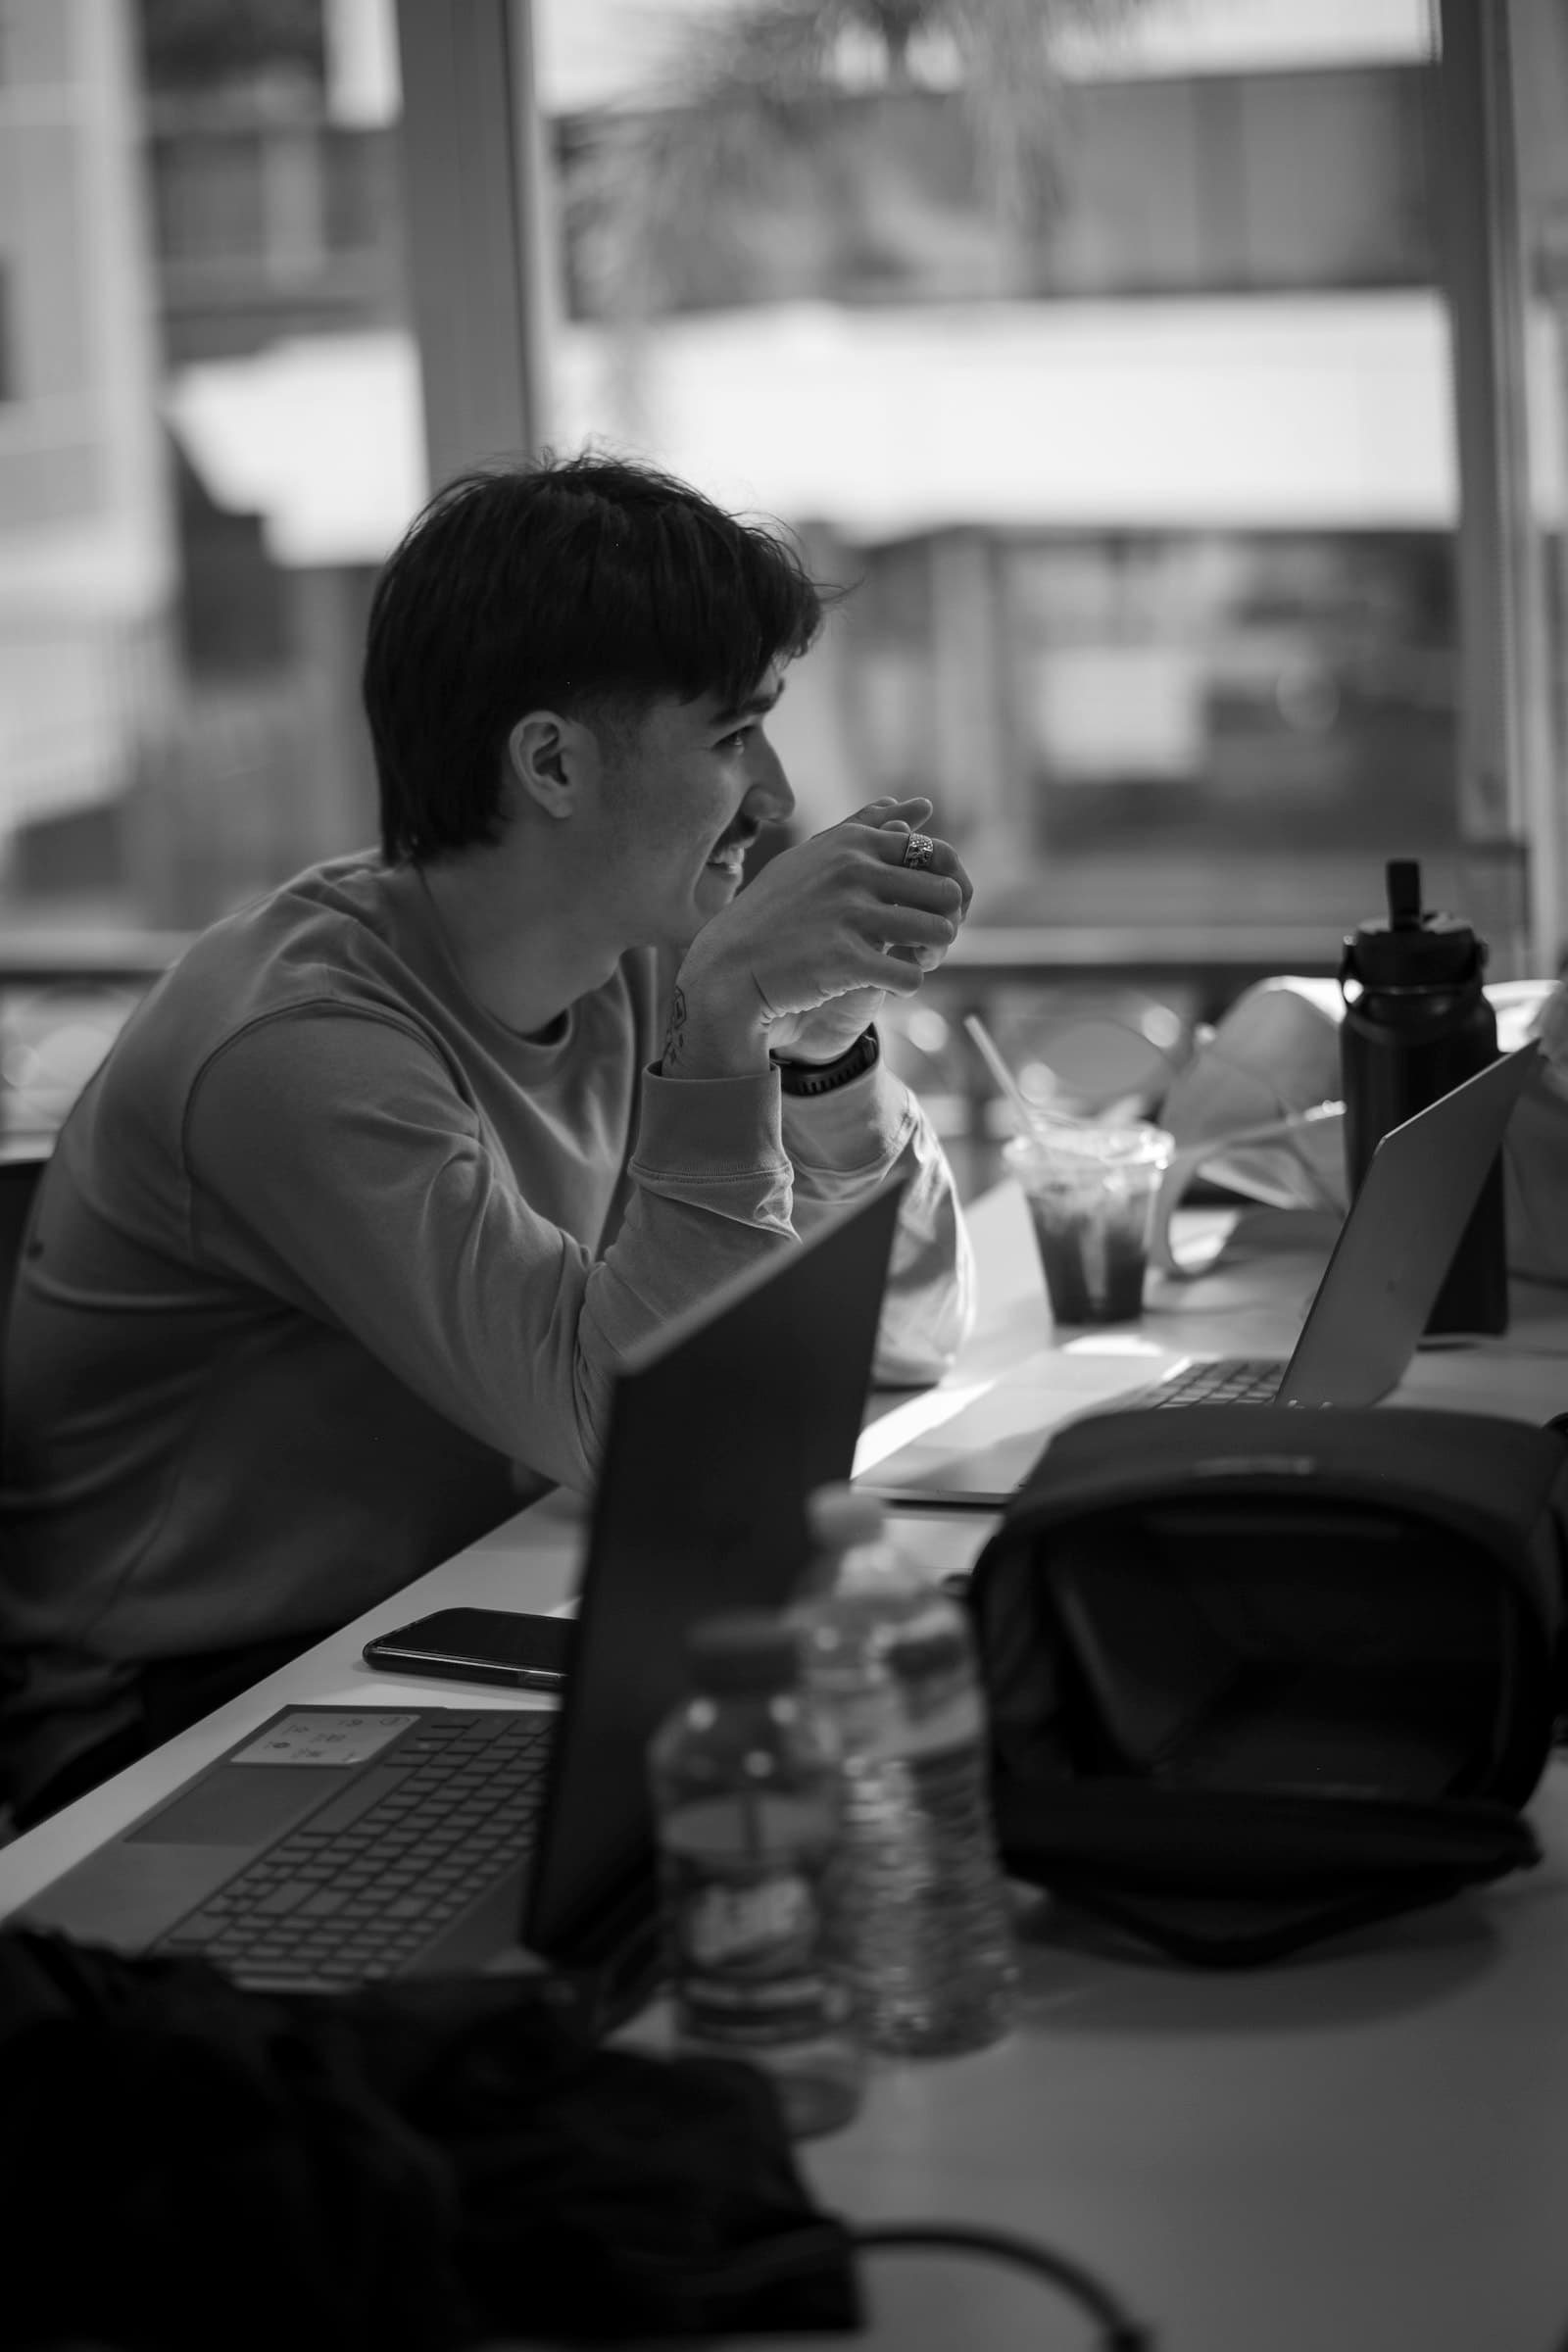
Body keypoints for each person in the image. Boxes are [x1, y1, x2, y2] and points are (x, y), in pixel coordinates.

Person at [0, 452, 975, 1828]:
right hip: (183, 1724)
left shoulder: (650, 957)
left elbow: (900, 1344)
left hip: (460, 1618)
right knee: (786, 1835)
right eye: (732, 735)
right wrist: (723, 1028)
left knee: (881, 1762)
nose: (772, 795)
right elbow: (639, 1432)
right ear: (553, 762)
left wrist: (822, 1050)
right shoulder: (295, 1045)